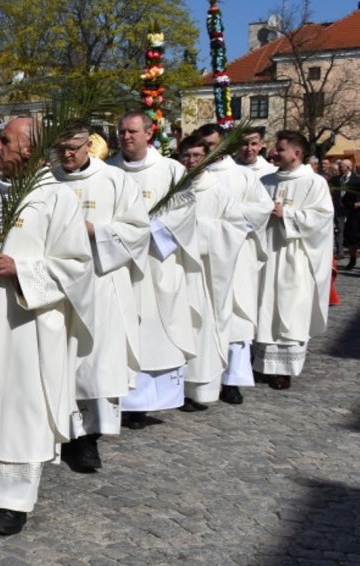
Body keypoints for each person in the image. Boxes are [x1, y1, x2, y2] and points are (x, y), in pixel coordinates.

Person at [0, 117, 93, 535]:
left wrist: (21, 268)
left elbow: (77, 266)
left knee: (19, 408)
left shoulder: (55, 199)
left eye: (5, 140)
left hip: (28, 326)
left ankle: (14, 501)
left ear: (29, 149)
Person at [51, 121, 148, 472]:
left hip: (100, 282)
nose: (66, 155)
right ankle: (58, 432)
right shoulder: (48, 181)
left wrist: (97, 231)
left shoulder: (115, 181)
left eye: (74, 148)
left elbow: (138, 231)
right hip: (56, 287)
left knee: (93, 364)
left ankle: (88, 440)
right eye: (61, 148)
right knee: (59, 361)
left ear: (88, 145)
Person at [108, 111, 199, 427]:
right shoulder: (108, 171)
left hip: (155, 263)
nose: (125, 137)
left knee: (152, 333)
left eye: (132, 131)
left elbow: (185, 210)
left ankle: (143, 404)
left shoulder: (171, 170)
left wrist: (143, 232)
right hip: (118, 263)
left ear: (149, 133)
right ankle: (118, 399)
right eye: (121, 132)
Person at [194, 124, 274, 405]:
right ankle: (200, 382)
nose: (209, 150)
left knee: (236, 321)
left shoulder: (241, 177)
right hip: (202, 259)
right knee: (202, 319)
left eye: (214, 144)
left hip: (236, 256)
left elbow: (263, 209)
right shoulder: (194, 177)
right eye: (204, 145)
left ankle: (232, 381)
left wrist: (229, 217)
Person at [175, 133, 252, 410]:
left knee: (203, 329)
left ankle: (201, 391)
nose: (191, 161)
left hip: (207, 275)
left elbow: (235, 229)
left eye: (197, 155)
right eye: (186, 155)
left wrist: (197, 231)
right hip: (178, 271)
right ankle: (175, 390)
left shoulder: (218, 191)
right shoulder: (174, 189)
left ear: (207, 157)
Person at [255, 131, 334, 390]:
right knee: (265, 307)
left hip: (296, 258)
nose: (273, 152)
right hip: (268, 255)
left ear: (296, 154)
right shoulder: (265, 180)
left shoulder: (314, 183)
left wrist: (287, 214)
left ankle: (285, 370)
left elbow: (322, 218)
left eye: (280, 149)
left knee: (291, 311)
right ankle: (263, 365)